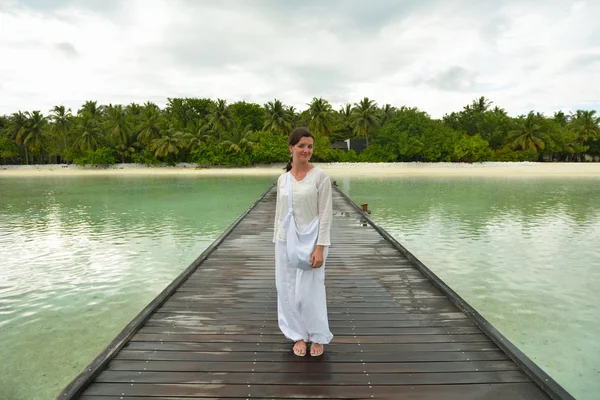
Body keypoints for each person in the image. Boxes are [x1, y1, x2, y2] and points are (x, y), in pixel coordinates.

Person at [272, 127, 333, 357]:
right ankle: (297, 334)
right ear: (291, 148)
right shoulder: (282, 180)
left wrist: (321, 247)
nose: (306, 150)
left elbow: (326, 214)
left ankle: (317, 336)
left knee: (310, 290)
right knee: (286, 288)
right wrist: (276, 244)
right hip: (285, 239)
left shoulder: (320, 177)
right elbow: (279, 214)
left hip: (312, 239)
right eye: (301, 146)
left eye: (310, 146)